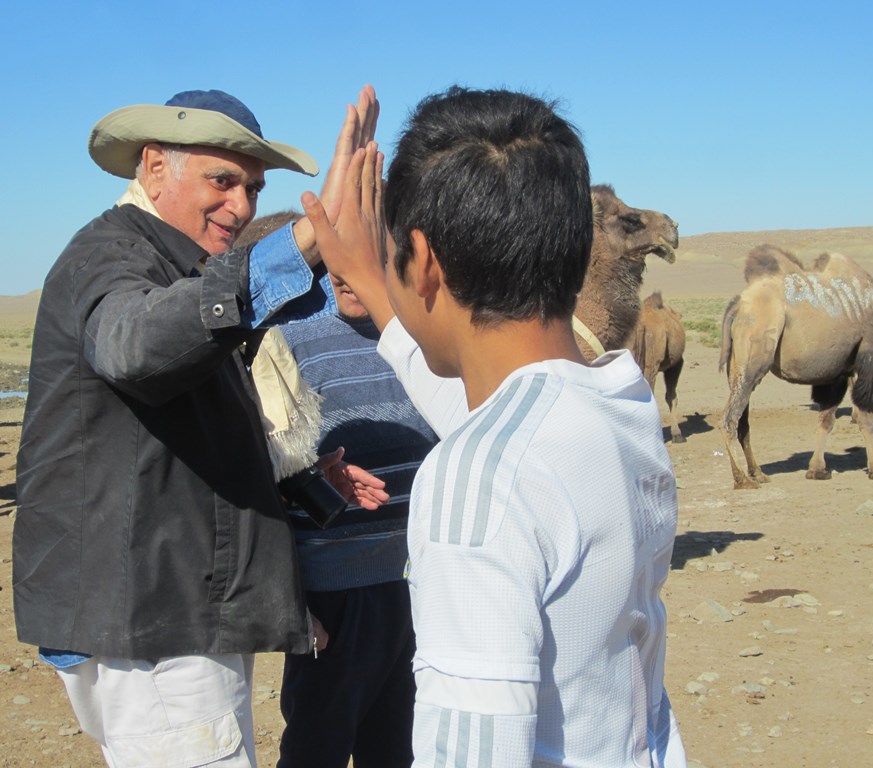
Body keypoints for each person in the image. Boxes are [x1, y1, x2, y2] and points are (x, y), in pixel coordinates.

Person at [304, 87, 687, 766]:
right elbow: (500, 425)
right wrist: (374, 271)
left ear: (423, 264)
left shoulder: (480, 476)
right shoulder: (615, 408)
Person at [14, 86, 385, 767]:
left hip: (176, 608)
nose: (240, 206)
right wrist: (304, 236)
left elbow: (175, 440)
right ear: (155, 166)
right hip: (157, 619)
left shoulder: (180, 269)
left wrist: (297, 481)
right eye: (223, 181)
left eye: (252, 188)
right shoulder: (112, 257)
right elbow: (136, 349)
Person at [237, 214, 437, 767]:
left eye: (366, 258)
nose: (347, 275)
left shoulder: (428, 347)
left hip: (421, 589)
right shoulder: (288, 345)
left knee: (399, 748)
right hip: (333, 593)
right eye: (337, 260)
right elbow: (264, 477)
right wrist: (294, 604)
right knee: (316, 747)